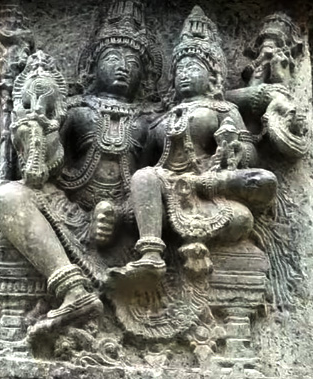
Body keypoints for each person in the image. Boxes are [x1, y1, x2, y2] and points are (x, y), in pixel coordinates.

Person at [0, 0, 160, 337]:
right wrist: (36, 128)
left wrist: (120, 216)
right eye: (112, 59)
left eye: (132, 61)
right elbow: (43, 173)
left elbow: (160, 181)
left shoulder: (151, 122)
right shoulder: (76, 110)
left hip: (126, 229)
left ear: (146, 73)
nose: (123, 67)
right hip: (69, 216)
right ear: (91, 68)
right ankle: (73, 289)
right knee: (2, 197)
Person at [113, 6, 277, 282]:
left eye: (193, 67)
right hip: (168, 191)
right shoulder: (158, 120)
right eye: (179, 69)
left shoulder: (223, 109)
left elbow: (249, 158)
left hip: (209, 191)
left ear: (213, 75)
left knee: (261, 184)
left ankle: (195, 238)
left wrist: (234, 151)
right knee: (143, 177)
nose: (184, 74)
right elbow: (141, 168)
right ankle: (151, 253)